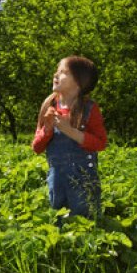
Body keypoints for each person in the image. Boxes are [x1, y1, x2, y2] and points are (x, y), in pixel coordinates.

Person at [31, 56, 107, 219]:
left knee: (85, 219)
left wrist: (69, 130)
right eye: (57, 71)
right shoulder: (49, 106)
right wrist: (48, 129)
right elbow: (36, 147)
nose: (56, 75)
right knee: (59, 217)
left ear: (80, 81)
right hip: (57, 179)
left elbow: (100, 143)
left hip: (84, 179)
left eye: (63, 72)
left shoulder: (89, 109)